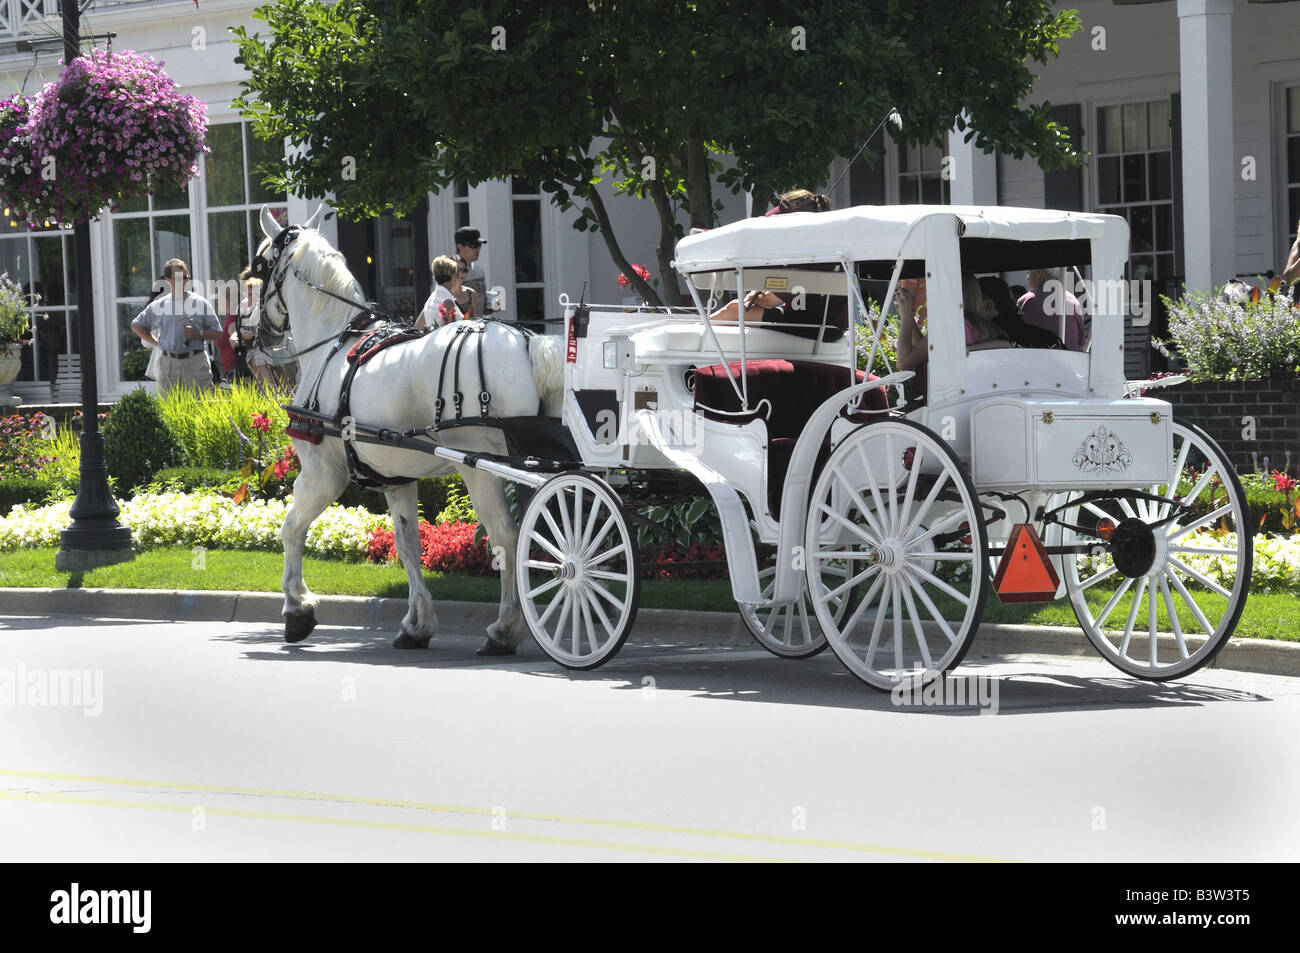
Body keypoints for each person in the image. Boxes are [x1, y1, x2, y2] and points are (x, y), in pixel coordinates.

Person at [708, 190, 843, 338]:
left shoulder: (814, 257)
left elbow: (769, 300)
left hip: (823, 326)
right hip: (812, 320)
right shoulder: (817, 250)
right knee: (736, 309)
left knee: (735, 309)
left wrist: (758, 295)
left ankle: (690, 340)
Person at [896, 276, 1009, 403]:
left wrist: (905, 318)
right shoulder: (987, 327)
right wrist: (909, 316)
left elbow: (904, 362)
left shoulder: (950, 326)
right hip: (981, 398)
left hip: (949, 401)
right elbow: (923, 351)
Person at [130, 259, 222, 392]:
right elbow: (136, 325)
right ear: (167, 280)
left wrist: (198, 333)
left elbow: (218, 332)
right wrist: (156, 342)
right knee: (169, 408)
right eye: (179, 278)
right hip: (168, 363)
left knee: (201, 406)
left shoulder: (200, 303)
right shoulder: (160, 304)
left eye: (186, 277)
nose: (184, 281)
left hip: (195, 360)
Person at [1018, 267, 1086, 351]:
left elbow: (1016, 336)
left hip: (1035, 360)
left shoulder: (1026, 301)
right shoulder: (1073, 301)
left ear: (1040, 271)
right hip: (1070, 360)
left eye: (1028, 272)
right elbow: (1082, 340)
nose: (1027, 277)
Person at [414, 256, 465, 330]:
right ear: (451, 275)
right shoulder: (447, 302)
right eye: (456, 274)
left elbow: (417, 327)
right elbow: (451, 333)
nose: (457, 278)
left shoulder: (432, 298)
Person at [454, 226, 491, 319]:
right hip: (459, 328)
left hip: (478, 326)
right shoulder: (451, 271)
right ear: (460, 246)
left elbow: (483, 307)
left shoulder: (479, 271)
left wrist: (493, 304)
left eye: (479, 245)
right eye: (473, 245)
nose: (477, 249)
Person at [452, 255, 480, 320]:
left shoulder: (471, 293)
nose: (461, 274)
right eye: (457, 270)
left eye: (464, 270)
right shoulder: (444, 293)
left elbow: (476, 321)